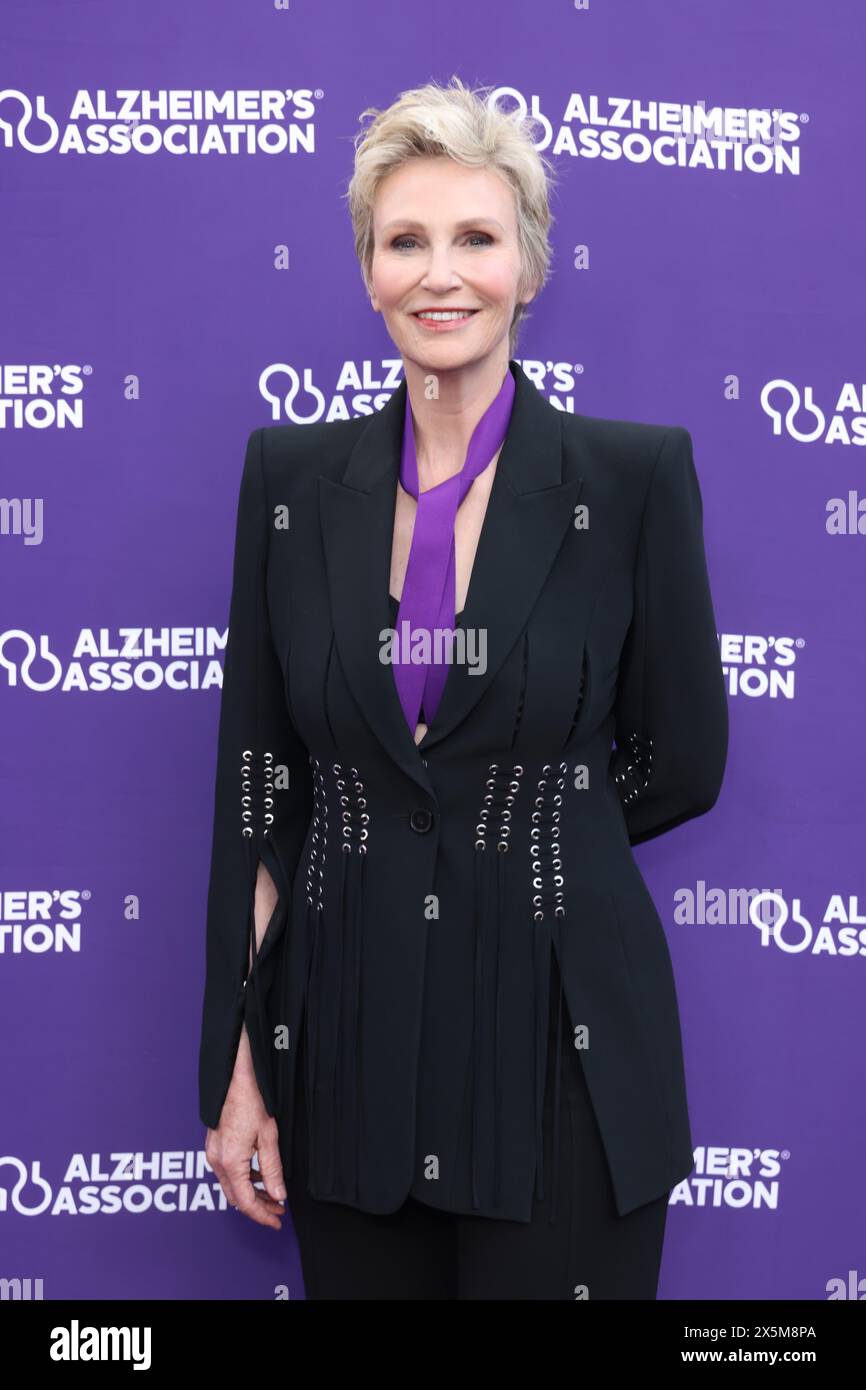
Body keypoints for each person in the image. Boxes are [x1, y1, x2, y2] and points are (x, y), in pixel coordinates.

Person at [198, 76, 728, 1300]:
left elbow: (680, 761)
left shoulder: (632, 477)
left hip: (562, 1054)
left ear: (529, 268)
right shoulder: (289, 481)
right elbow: (262, 787)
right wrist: (241, 1062)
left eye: (475, 238)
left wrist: (517, 838)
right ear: (368, 271)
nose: (441, 274)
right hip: (345, 1050)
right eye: (405, 241)